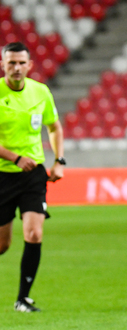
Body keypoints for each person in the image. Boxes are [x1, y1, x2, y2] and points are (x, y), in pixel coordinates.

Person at [0, 42, 65, 312]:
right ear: (3, 64)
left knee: (34, 234)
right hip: (3, 175)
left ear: (30, 65)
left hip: (33, 174)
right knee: (2, 244)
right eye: (11, 62)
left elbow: (54, 127)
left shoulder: (41, 91)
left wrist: (58, 160)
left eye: (21, 63)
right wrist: (14, 157)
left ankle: (23, 299)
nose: (16, 68)